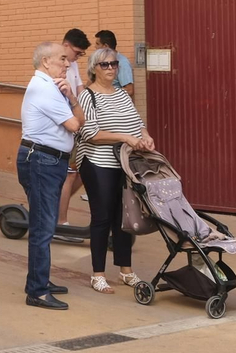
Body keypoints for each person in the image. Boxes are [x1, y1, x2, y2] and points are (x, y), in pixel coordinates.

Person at [75, 46, 152, 294]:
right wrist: (125, 138)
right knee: (102, 218)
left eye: (114, 64)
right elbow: (91, 134)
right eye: (105, 65)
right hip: (98, 163)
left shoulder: (121, 94)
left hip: (125, 164)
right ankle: (98, 274)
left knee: (124, 219)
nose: (111, 69)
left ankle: (126, 271)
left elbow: (138, 123)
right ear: (94, 69)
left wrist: (145, 137)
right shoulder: (88, 96)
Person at [18, 41, 85, 311]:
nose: (68, 64)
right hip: (42, 161)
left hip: (48, 161)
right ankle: (37, 291)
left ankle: (39, 279)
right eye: (62, 59)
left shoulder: (52, 87)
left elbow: (77, 122)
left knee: (44, 224)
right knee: (43, 227)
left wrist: (72, 98)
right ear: (46, 62)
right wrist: (71, 101)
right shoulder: (44, 89)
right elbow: (76, 125)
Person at [56, 28, 92, 231]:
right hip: (63, 123)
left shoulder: (74, 64)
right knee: (69, 174)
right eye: (76, 52)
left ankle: (55, 208)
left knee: (79, 171)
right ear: (66, 45)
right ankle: (60, 221)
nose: (77, 58)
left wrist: (87, 113)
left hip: (76, 121)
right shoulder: (55, 64)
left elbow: (79, 90)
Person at [95, 29, 135, 98]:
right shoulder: (100, 61)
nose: (95, 47)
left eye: (98, 44)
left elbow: (129, 90)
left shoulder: (122, 63)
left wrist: (107, 94)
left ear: (105, 46)